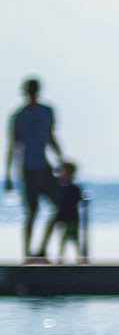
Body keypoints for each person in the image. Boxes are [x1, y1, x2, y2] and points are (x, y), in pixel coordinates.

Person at [11, 80, 61, 262]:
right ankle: (27, 253)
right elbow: (14, 146)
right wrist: (10, 174)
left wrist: (60, 159)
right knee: (32, 211)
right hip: (28, 169)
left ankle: (41, 249)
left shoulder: (46, 112)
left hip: (44, 167)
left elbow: (50, 137)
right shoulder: (19, 116)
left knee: (59, 205)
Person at [40, 160, 86, 263]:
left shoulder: (74, 188)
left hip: (72, 216)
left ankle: (77, 257)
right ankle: (54, 255)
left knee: (73, 237)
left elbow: (79, 200)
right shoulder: (58, 187)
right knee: (59, 234)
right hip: (61, 214)